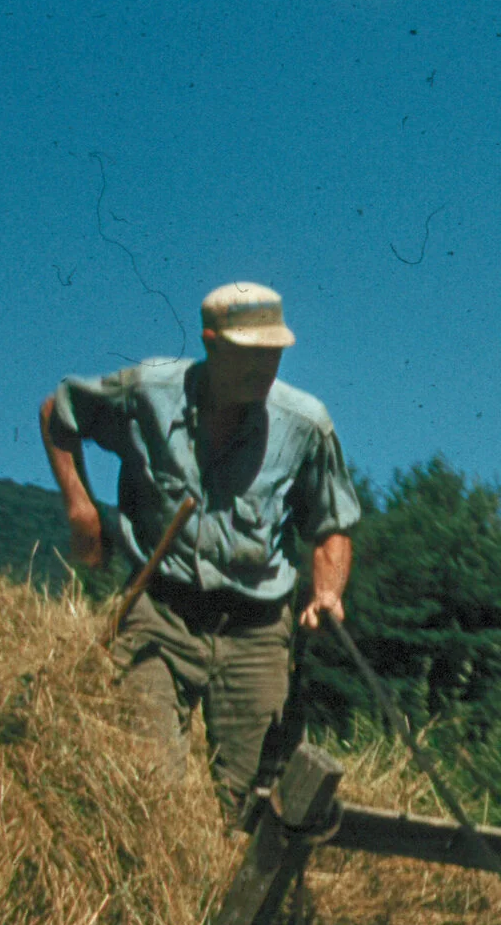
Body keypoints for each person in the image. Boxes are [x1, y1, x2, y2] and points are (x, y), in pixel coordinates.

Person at [41, 281, 359, 815]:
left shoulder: (305, 425)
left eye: (273, 355)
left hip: (256, 630)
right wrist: (81, 507)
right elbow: (59, 415)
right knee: (142, 786)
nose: (263, 369)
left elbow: (331, 525)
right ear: (211, 343)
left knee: (251, 805)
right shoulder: (146, 391)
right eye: (248, 356)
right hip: (160, 612)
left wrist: (328, 591)